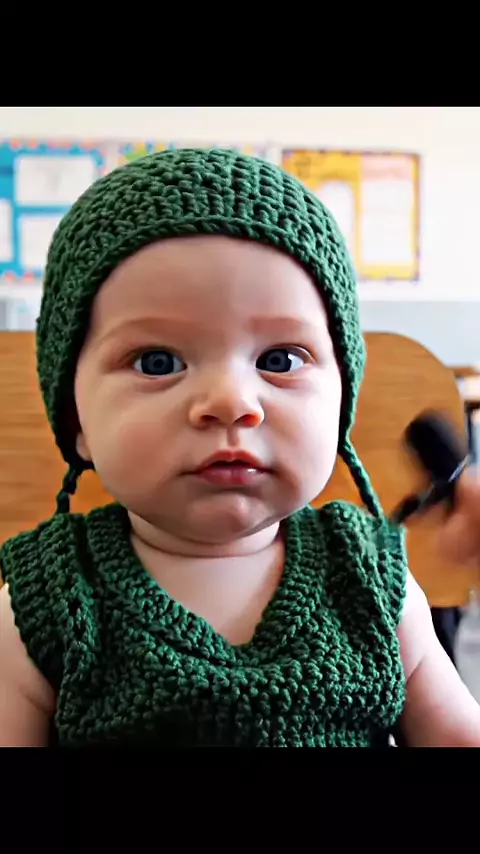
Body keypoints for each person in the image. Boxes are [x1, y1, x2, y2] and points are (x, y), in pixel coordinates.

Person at [0, 147, 479, 748]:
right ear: (77, 421)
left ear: (341, 402)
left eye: (280, 359)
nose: (231, 402)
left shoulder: (371, 583)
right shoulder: (45, 604)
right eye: (157, 362)